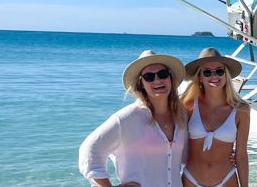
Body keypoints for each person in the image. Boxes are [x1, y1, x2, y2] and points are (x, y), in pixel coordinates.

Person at [78, 50, 188, 187]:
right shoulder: (128, 118)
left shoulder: (181, 115)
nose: (158, 80)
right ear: (141, 83)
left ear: (170, 78)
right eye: (149, 77)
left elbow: (186, 158)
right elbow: (89, 150)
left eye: (162, 74)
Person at [180, 48, 250, 187]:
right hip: (191, 179)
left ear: (226, 75)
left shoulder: (241, 110)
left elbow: (241, 155)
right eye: (207, 72)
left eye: (219, 71)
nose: (214, 76)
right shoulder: (187, 106)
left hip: (227, 179)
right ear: (199, 76)